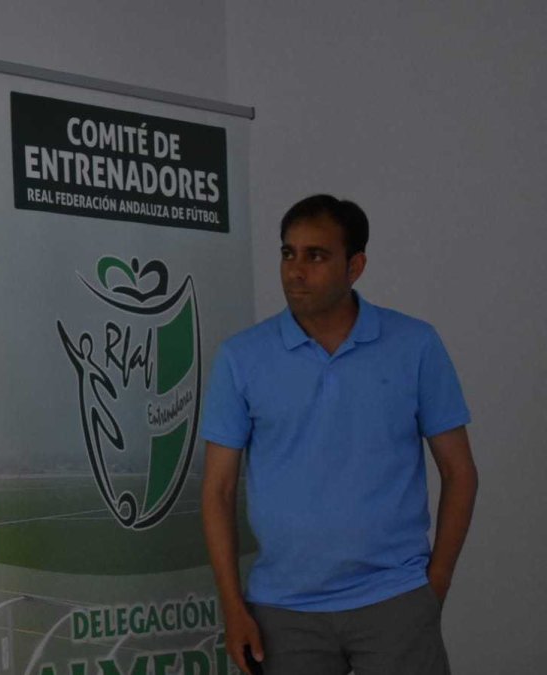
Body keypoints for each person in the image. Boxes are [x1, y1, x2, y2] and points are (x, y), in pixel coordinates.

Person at [200, 194, 478, 675]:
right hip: (282, 612)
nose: (295, 270)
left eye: (316, 255)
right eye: (288, 253)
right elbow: (218, 489)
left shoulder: (415, 345)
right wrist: (233, 607)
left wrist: (436, 584)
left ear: (356, 266)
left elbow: (460, 472)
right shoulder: (241, 358)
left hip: (395, 600)